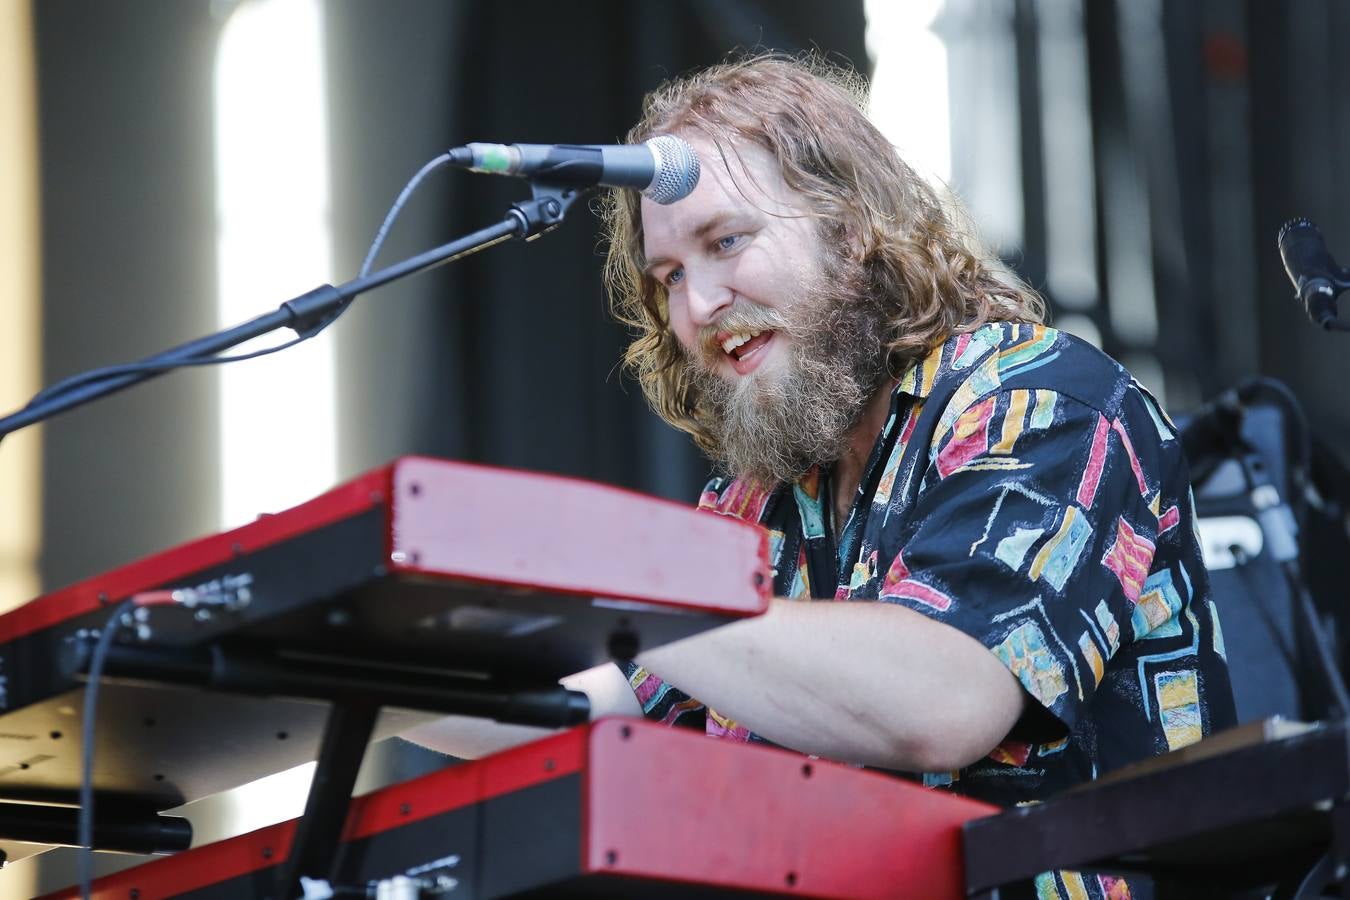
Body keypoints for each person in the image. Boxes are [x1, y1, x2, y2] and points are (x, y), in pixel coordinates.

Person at [408, 54, 1234, 821]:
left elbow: (947, 698)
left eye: (726, 242)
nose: (696, 308)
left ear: (850, 225)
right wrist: (364, 667)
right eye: (669, 279)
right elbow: (612, 703)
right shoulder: (756, 500)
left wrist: (629, 590)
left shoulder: (1047, 400)